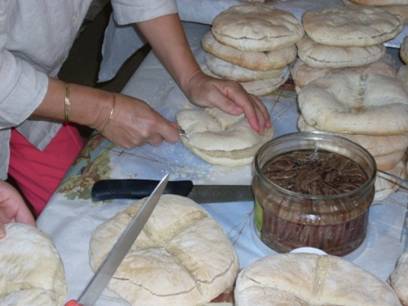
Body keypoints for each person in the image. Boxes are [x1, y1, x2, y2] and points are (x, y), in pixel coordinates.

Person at [0, 0, 270, 236]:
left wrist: (192, 78)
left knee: (80, 207)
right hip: (11, 84)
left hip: (35, 85)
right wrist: (103, 111)